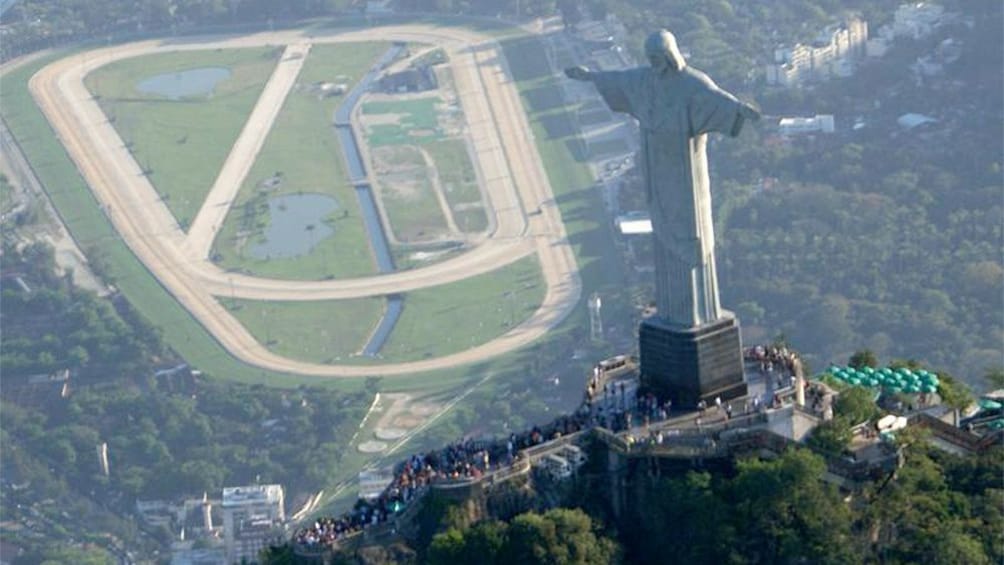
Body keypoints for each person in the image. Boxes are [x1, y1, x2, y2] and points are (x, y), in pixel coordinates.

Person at [566, 30, 759, 327]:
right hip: (657, 168)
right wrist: (590, 76)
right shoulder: (644, 80)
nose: (655, 64)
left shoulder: (692, 83)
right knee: (663, 228)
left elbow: (716, 99)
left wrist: (739, 109)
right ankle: (673, 312)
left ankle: (699, 312)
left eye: (659, 58)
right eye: (651, 59)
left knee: (691, 233)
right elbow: (618, 80)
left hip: (686, 173)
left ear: (672, 55)